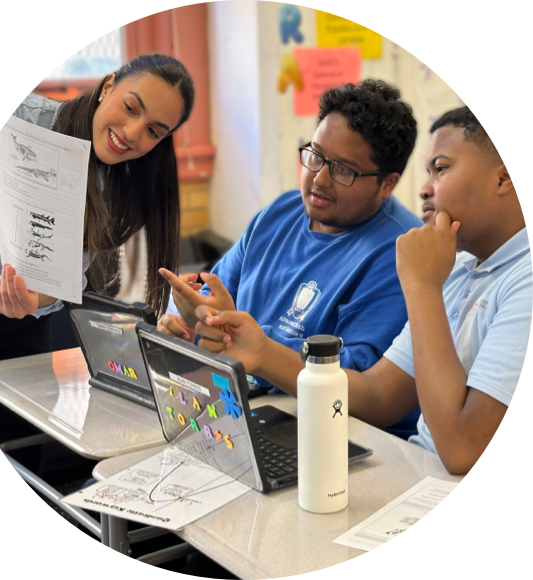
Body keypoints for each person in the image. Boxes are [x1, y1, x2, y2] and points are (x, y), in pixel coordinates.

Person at [189, 105, 531, 475]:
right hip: (421, 477)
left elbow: (463, 452)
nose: (425, 188)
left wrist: (422, 285)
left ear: (503, 178)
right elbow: (379, 393)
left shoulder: (516, 281)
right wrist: (262, 353)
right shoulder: (464, 267)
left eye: (442, 168)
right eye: (428, 172)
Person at [0, 53, 194, 465]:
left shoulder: (123, 184)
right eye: (130, 107)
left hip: (19, 327)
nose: (131, 134)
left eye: (154, 131)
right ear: (107, 86)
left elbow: (61, 279)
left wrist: (36, 301)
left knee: (25, 455)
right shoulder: (19, 119)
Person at [158, 79, 424, 439]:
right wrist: (190, 325)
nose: (319, 179)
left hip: (337, 435)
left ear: (387, 183)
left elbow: (358, 384)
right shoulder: (280, 212)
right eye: (315, 156)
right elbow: (214, 299)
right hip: (248, 408)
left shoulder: (399, 251)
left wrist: (252, 345)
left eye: (344, 170)